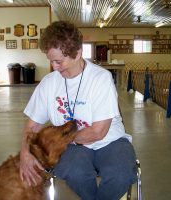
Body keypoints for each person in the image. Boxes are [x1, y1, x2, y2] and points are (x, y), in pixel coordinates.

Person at [20, 21, 137, 200]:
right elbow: (32, 126)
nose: (54, 67)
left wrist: (59, 136)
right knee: (76, 173)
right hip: (71, 147)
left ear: (78, 54)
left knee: (121, 174)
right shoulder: (48, 84)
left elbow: (98, 133)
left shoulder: (100, 78)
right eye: (51, 61)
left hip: (110, 140)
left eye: (59, 61)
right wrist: (25, 154)